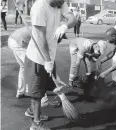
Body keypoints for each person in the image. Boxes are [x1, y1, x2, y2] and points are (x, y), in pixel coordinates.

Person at [24, 0, 76, 130]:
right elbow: (40, 39)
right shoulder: (39, 8)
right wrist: (47, 61)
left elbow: (73, 19)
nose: (63, 3)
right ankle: (36, 124)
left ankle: (33, 111)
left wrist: (65, 25)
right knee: (37, 93)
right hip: (37, 57)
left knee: (49, 84)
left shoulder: (59, 2)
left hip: (50, 55)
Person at [8, 27, 61, 121]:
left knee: (24, 67)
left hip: (13, 39)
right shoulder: (46, 35)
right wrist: (53, 73)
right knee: (35, 71)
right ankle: (43, 101)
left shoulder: (47, 31)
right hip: (19, 42)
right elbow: (44, 56)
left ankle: (20, 92)